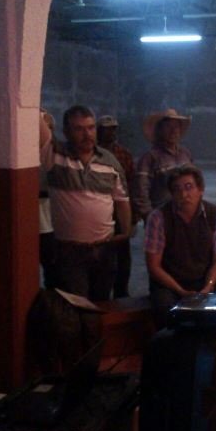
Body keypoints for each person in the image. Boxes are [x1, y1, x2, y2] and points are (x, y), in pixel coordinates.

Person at [40, 105, 131, 300]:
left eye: (90, 128)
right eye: (79, 129)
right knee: (76, 305)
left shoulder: (109, 161)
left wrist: (125, 232)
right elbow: (33, 118)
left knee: (101, 303)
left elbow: (122, 199)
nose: (87, 134)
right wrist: (43, 115)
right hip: (69, 251)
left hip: (104, 249)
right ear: (66, 132)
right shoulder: (55, 156)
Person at [144, 165, 216, 328]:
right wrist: (181, 291)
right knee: (166, 312)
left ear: (201, 190)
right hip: (170, 283)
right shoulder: (158, 218)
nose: (183, 194)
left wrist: (208, 286)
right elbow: (154, 266)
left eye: (189, 187)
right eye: (177, 189)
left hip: (204, 280)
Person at [96, 115, 135, 298]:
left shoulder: (123, 154)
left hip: (120, 212)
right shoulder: (93, 153)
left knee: (123, 258)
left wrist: (132, 217)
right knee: (103, 258)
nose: (111, 132)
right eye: (107, 129)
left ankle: (121, 293)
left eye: (113, 129)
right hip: (101, 213)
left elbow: (131, 184)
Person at [133, 109, 192, 221]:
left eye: (176, 127)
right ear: (159, 130)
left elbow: (194, 184)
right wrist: (151, 218)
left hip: (186, 218)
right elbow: (140, 193)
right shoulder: (149, 158)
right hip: (161, 218)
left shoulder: (186, 154)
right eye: (168, 127)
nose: (173, 131)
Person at [39, 109, 57, 289]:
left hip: (49, 223)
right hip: (34, 222)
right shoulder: (24, 155)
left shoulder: (54, 155)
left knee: (52, 269)